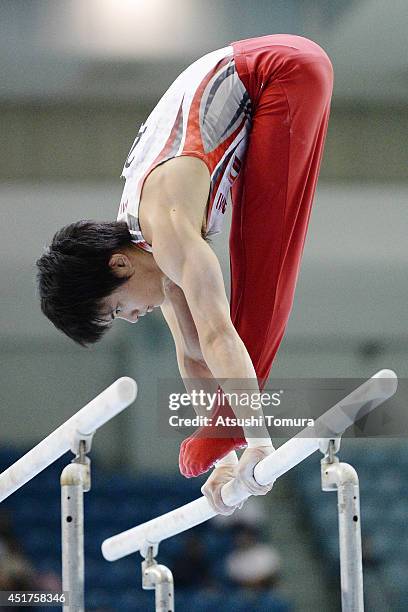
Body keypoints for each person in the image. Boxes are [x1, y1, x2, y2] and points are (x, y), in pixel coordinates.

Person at [36, 34, 333, 515]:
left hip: (282, 70)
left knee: (259, 272)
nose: (131, 318)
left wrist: (257, 441)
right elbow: (194, 355)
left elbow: (219, 335)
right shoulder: (150, 251)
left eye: (116, 308)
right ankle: (221, 433)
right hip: (259, 79)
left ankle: (231, 430)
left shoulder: (168, 227)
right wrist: (223, 458)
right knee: (213, 318)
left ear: (119, 263)